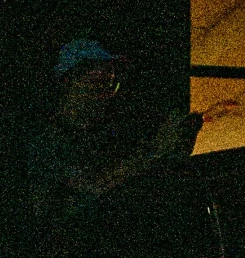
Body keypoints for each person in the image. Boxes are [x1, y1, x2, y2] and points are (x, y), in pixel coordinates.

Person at [26, 40, 201, 243]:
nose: (106, 95)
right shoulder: (49, 140)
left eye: (110, 85)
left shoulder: (97, 138)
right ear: (69, 83)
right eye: (96, 84)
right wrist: (157, 149)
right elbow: (96, 187)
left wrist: (176, 148)